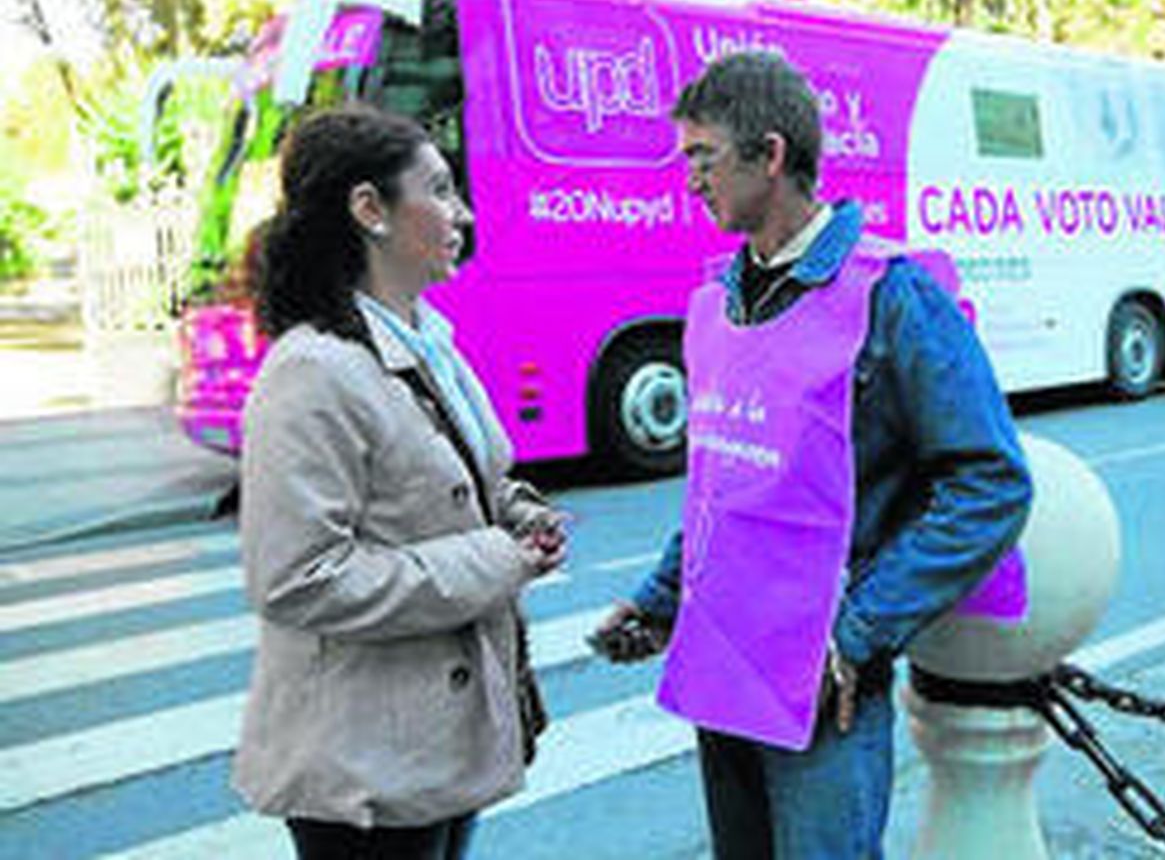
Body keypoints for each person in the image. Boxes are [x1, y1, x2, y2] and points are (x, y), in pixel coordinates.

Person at [590, 52, 1033, 859]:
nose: (689, 179)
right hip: (724, 659)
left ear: (771, 154)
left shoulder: (893, 295)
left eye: (704, 157)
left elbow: (992, 483)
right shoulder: (719, 299)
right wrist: (657, 601)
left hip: (824, 679)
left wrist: (858, 632)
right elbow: (726, 480)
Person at [233, 104, 568, 860]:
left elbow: (463, 478)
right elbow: (297, 577)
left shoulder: (425, 335)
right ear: (369, 209)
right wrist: (499, 558)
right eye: (442, 190)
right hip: (363, 768)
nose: (463, 212)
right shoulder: (312, 371)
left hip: (431, 747)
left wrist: (520, 513)